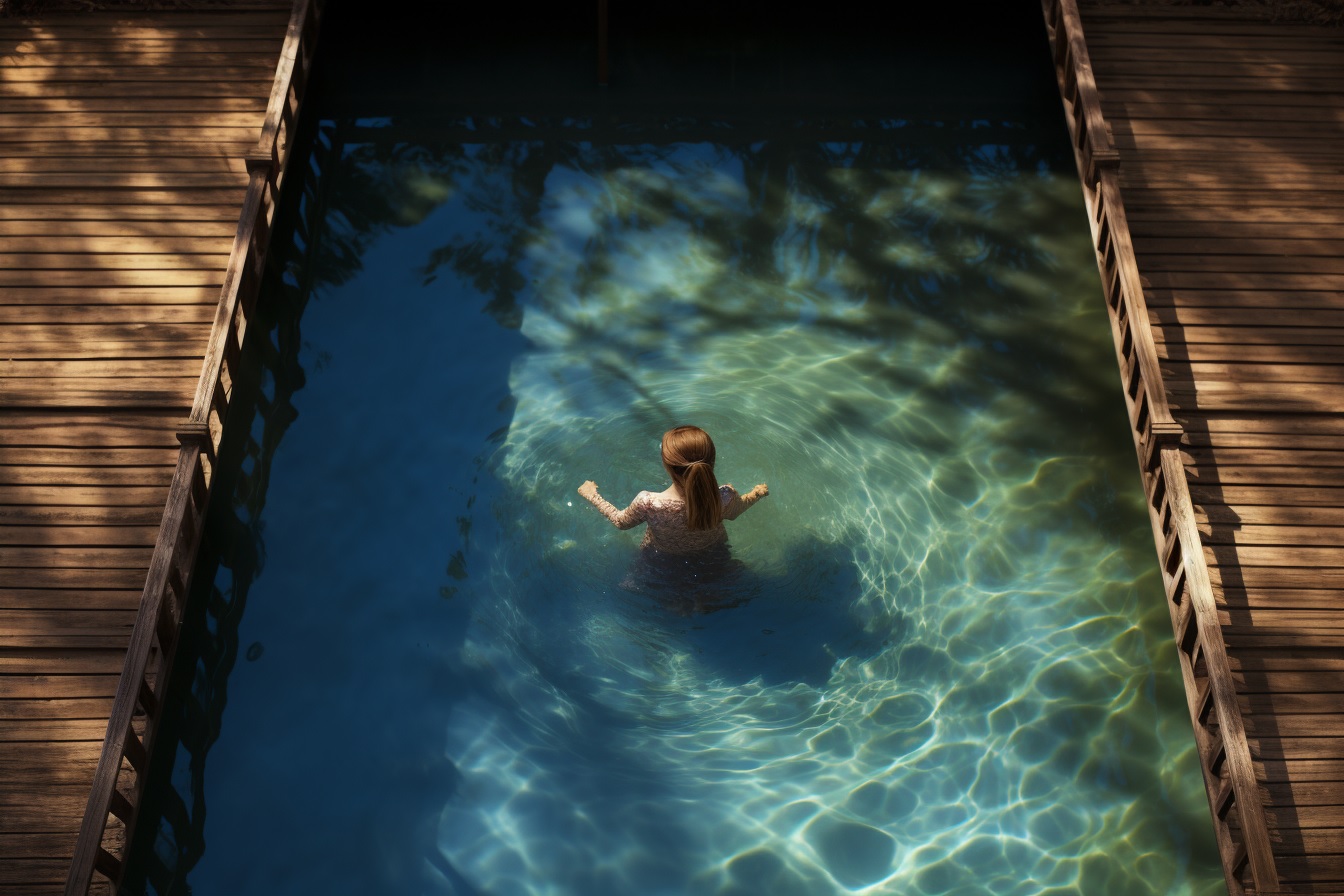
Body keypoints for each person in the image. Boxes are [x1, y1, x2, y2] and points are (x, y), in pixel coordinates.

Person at [578, 425, 769, 555]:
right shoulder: (724, 496)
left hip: (662, 557)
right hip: (713, 551)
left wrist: (593, 496)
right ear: (712, 462)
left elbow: (621, 523)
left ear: (666, 465)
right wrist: (756, 494)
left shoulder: (649, 503)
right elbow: (736, 511)